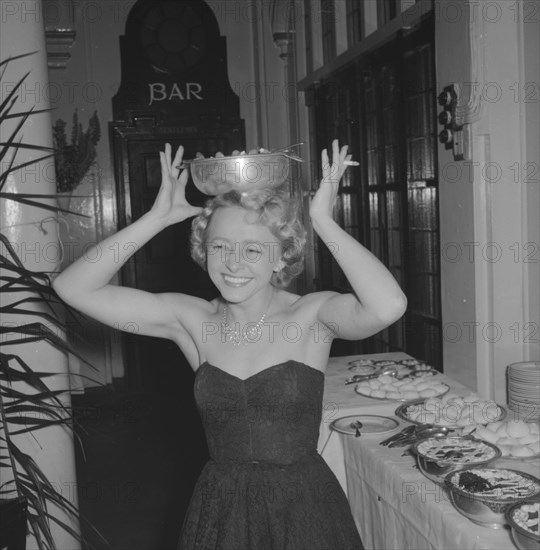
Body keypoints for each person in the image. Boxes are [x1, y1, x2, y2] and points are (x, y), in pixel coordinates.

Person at [53, 139, 407, 549]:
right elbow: (72, 287)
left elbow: (388, 305)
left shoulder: (311, 317)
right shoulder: (192, 321)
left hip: (305, 509)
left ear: (280, 257)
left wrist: (323, 221)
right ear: (204, 251)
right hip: (222, 510)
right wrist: (155, 218)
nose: (233, 263)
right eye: (219, 247)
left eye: (253, 249)